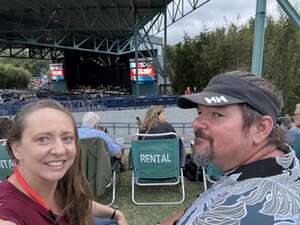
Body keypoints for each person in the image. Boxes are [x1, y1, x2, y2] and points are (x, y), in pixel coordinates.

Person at [158, 71, 300, 225]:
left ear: (261, 128)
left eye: (217, 114)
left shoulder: (241, 212)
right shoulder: (279, 165)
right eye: (200, 112)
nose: (196, 123)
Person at [0, 99, 128, 225]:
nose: (60, 150)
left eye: (67, 138)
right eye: (43, 139)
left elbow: (76, 203)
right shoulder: (8, 212)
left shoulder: (59, 182)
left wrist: (115, 214)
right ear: (17, 149)